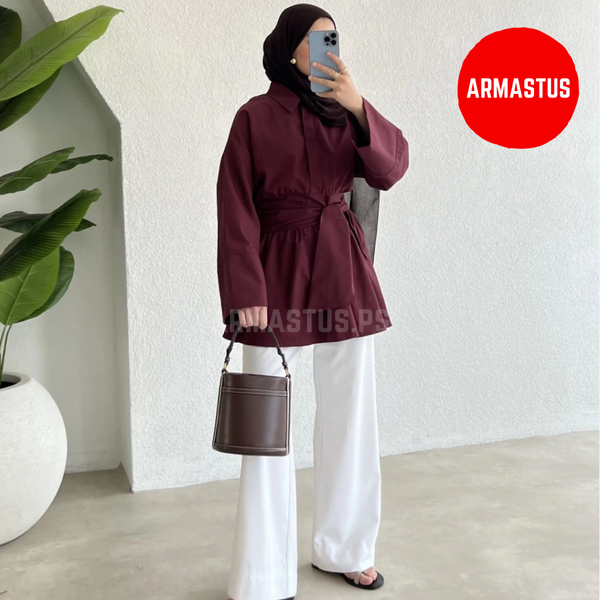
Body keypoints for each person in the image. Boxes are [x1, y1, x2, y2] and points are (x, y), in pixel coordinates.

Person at [216, 4, 409, 600]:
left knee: (352, 417)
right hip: (274, 280)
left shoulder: (345, 111)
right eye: (318, 38)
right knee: (266, 427)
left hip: (342, 273)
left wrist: (358, 105)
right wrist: (245, 292)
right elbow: (235, 207)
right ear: (290, 48)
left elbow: (391, 169)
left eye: (335, 38)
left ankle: (346, 549)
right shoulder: (254, 117)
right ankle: (263, 575)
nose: (330, 47)